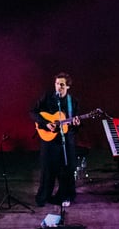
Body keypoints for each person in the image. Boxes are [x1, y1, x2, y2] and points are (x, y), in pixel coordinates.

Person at [29, 71, 82, 208]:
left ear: (68, 86)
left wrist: (76, 123)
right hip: (49, 140)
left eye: (62, 85)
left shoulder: (72, 102)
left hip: (66, 141)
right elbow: (33, 112)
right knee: (47, 169)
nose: (59, 87)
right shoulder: (47, 97)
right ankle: (43, 196)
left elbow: (74, 126)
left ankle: (64, 196)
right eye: (57, 84)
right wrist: (46, 123)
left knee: (67, 169)